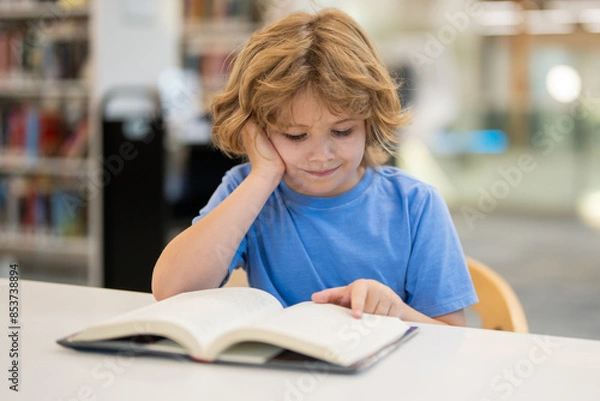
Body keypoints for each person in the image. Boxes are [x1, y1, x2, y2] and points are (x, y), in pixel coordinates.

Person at [152, 8, 478, 326]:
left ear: (369, 121)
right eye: (295, 136)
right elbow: (171, 288)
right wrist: (263, 176)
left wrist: (396, 312)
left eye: (342, 131)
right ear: (258, 129)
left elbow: (451, 337)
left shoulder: (415, 204)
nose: (321, 155)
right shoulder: (249, 190)